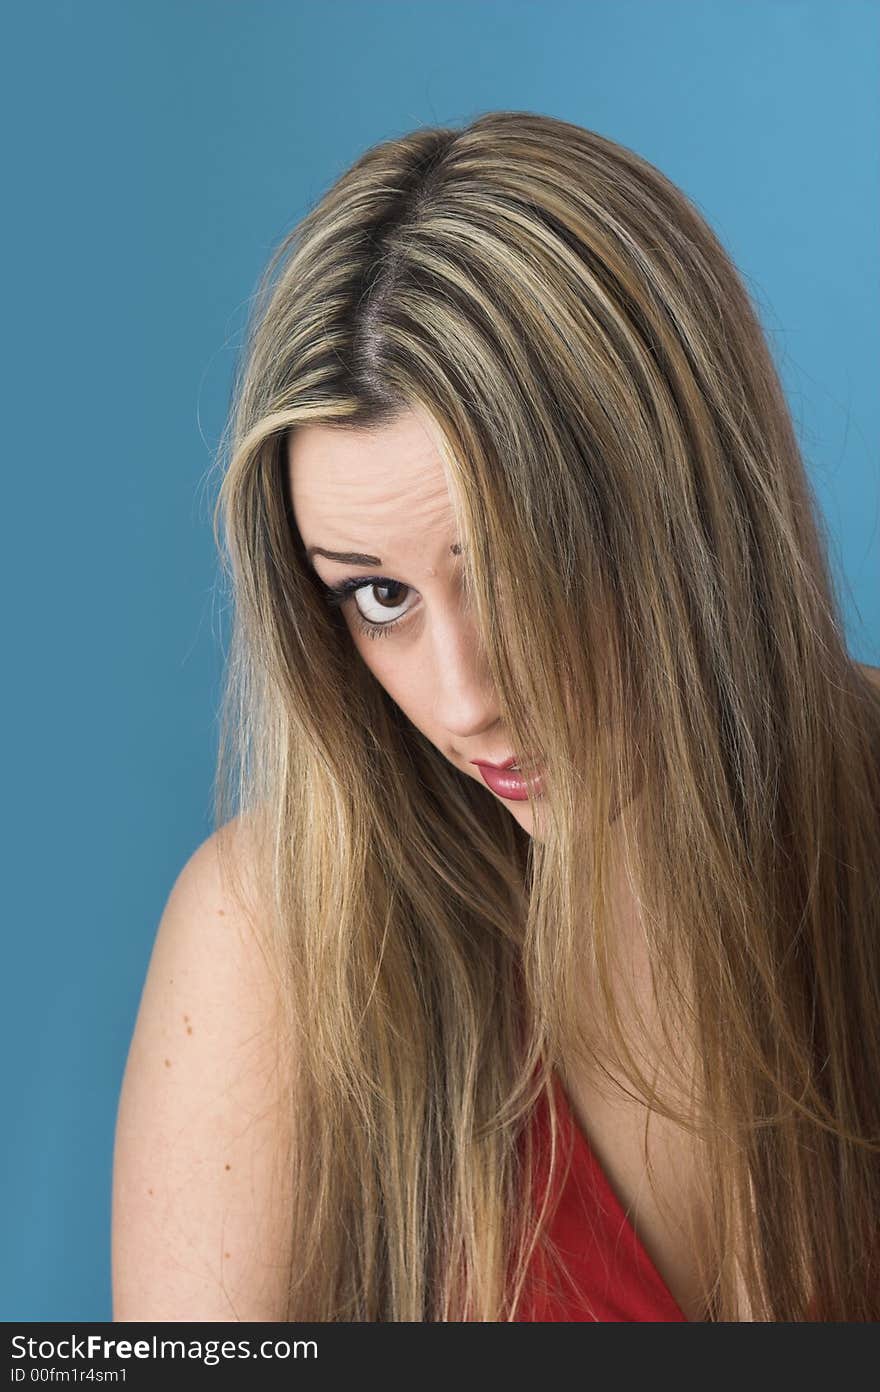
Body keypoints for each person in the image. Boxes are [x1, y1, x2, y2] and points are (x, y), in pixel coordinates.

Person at [111, 110, 880, 1323]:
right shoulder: (276, 949)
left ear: (692, 507)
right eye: (377, 594)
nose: (464, 697)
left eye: (513, 569)